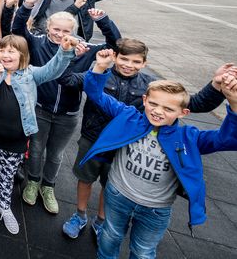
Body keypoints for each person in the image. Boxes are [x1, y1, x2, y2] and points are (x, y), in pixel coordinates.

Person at [61, 39, 234, 239]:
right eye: (124, 59)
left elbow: (195, 103)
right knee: (85, 178)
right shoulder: (105, 79)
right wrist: (94, 65)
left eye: (136, 61)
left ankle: (101, 220)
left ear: (144, 63)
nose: (129, 65)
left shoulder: (150, 87)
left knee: (111, 184)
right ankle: (80, 214)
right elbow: (81, 86)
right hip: (94, 138)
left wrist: (216, 86)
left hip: (125, 145)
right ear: (115, 57)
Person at [0, 23, 77, 234]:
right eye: (2, 50)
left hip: (16, 141)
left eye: (11, 51)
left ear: (22, 55)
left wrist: (65, 51)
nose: (5, 55)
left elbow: (53, 69)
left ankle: (4, 206)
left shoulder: (32, 74)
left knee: (7, 177)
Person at [14, 0, 121, 215]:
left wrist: (103, 21)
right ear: (48, 28)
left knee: (55, 154)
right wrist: (27, 4)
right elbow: (17, 29)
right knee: (36, 150)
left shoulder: (83, 48)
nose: (60, 34)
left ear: (73, 31)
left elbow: (115, 44)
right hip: (40, 108)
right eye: (56, 29)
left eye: (66, 31)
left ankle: (48, 186)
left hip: (68, 113)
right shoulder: (38, 43)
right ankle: (33, 181)